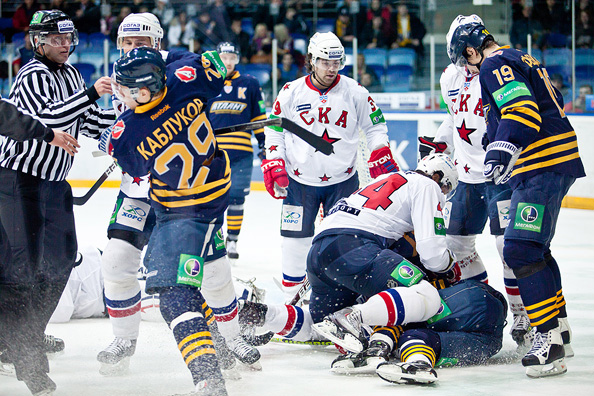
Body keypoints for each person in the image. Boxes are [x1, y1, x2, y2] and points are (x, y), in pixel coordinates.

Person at [106, 46, 255, 395]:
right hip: (216, 192)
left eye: (125, 88)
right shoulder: (186, 79)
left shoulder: (127, 132)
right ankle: (219, 342)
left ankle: (208, 377)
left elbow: (133, 165)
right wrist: (170, 59)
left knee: (174, 295)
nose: (120, 92)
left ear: (142, 92)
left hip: (182, 214)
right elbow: (213, 62)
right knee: (191, 276)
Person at [448, 16, 585, 378]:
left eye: (466, 60)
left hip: (542, 166)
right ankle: (560, 329)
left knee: (520, 251)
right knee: (536, 249)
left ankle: (548, 342)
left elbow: (522, 111)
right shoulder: (520, 56)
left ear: (473, 50)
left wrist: (500, 150)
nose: (467, 67)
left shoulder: (493, 63)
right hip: (556, 162)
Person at [0, 9, 114, 395]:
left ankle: (21, 333)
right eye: (57, 39)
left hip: (53, 185)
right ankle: (29, 360)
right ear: (38, 41)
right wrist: (91, 94)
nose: (66, 46)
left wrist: (130, 123)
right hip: (18, 183)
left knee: (63, 261)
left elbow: (89, 122)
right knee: (22, 270)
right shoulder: (31, 74)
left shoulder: (72, 74)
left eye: (69, 39)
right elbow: (50, 118)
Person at [239, 154, 460, 343]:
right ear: (437, 176)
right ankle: (354, 317)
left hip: (320, 250)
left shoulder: (385, 178)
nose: (444, 193)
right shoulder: (428, 185)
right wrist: (450, 263)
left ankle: (261, 314)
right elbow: (433, 255)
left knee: (320, 327)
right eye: (447, 187)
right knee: (427, 296)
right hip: (356, 247)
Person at [261, 31, 398, 302]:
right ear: (312, 60)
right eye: (325, 62)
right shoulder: (291, 92)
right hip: (299, 182)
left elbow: (376, 125)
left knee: (343, 242)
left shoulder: (355, 91)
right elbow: (274, 129)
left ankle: (339, 299)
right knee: (294, 240)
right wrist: (274, 159)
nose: (331, 68)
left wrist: (380, 150)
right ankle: (292, 300)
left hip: (343, 182)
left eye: (336, 62)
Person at [418, 14, 529, 349]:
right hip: (466, 178)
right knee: (455, 246)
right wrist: (442, 144)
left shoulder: (500, 69)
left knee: (506, 247)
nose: (463, 66)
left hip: (502, 174)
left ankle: (521, 313)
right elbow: (455, 119)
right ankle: (487, 298)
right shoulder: (451, 76)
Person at [96, 12, 162, 375]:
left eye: (141, 42)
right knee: (117, 261)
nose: (133, 49)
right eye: (127, 42)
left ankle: (219, 337)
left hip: (182, 195)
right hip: (136, 192)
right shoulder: (119, 79)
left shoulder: (177, 74)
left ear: (157, 43)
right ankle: (124, 339)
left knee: (194, 272)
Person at [206, 42, 267, 260]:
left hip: (241, 154)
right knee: (211, 198)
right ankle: (215, 238)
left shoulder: (249, 83)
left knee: (236, 199)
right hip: (213, 153)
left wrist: (263, 143)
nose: (228, 62)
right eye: (224, 57)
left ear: (238, 59)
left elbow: (258, 118)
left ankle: (232, 241)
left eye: (232, 57)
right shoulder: (208, 82)